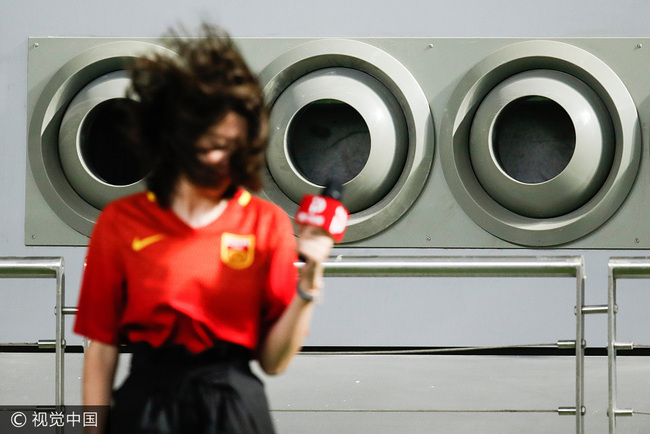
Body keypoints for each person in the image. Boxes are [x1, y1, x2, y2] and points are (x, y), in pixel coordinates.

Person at [73, 24, 334, 434]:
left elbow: (274, 363)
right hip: (147, 408)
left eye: (232, 146)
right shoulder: (121, 223)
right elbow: (102, 350)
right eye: (209, 144)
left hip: (234, 408)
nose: (220, 159)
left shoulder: (265, 224)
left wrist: (309, 287)